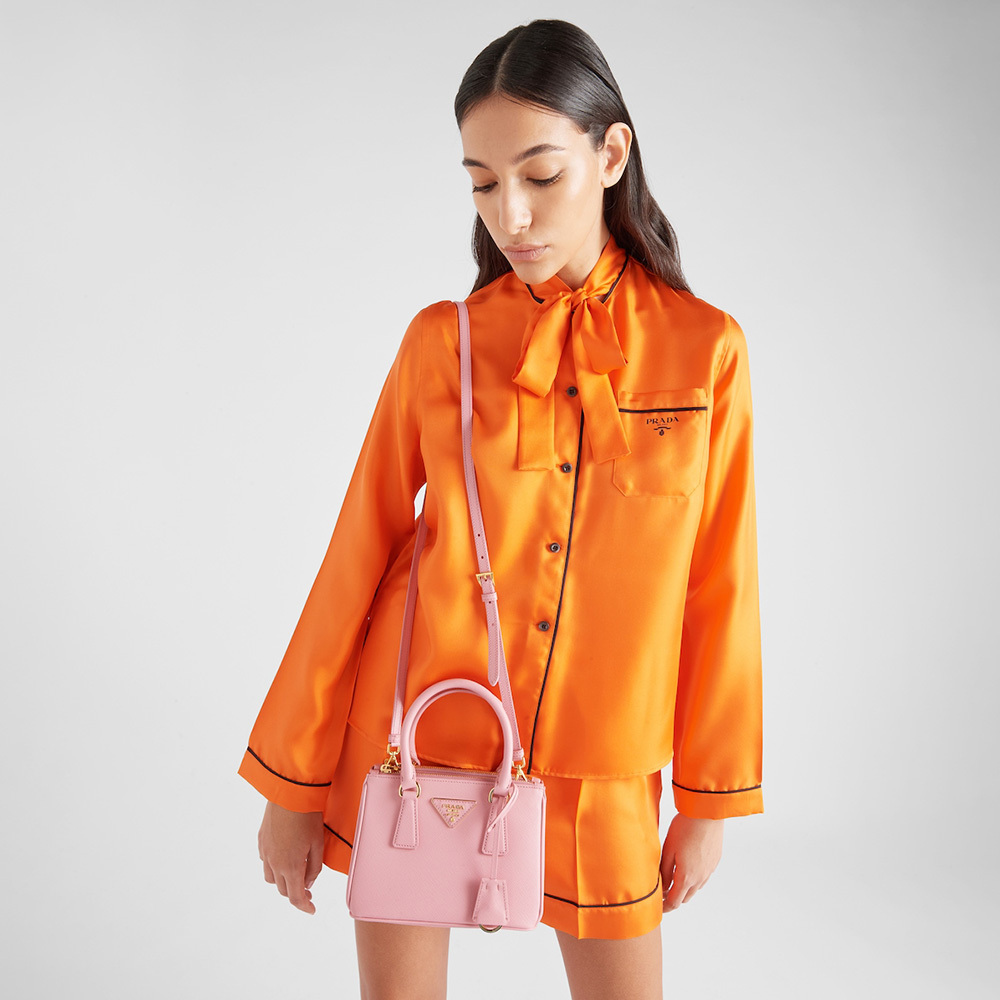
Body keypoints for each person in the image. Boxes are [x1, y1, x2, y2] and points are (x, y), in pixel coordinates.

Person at [238, 18, 763, 1000]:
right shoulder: (442, 344)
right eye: (481, 184)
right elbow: (357, 555)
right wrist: (290, 783)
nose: (510, 216)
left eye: (540, 175)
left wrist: (709, 799)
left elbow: (718, 584)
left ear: (611, 154)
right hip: (415, 741)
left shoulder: (706, 352)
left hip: (604, 768)